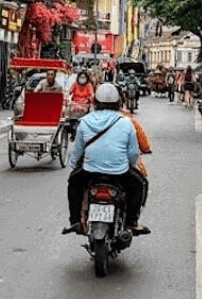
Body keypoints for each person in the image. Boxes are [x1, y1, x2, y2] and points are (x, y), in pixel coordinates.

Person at [64, 82, 149, 235]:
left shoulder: (85, 122)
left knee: (73, 183)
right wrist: (129, 165)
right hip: (120, 172)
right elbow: (133, 154)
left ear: (95, 102)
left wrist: (74, 166)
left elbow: (76, 152)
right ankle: (132, 222)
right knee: (140, 184)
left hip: (90, 172)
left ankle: (75, 221)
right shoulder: (126, 123)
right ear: (119, 102)